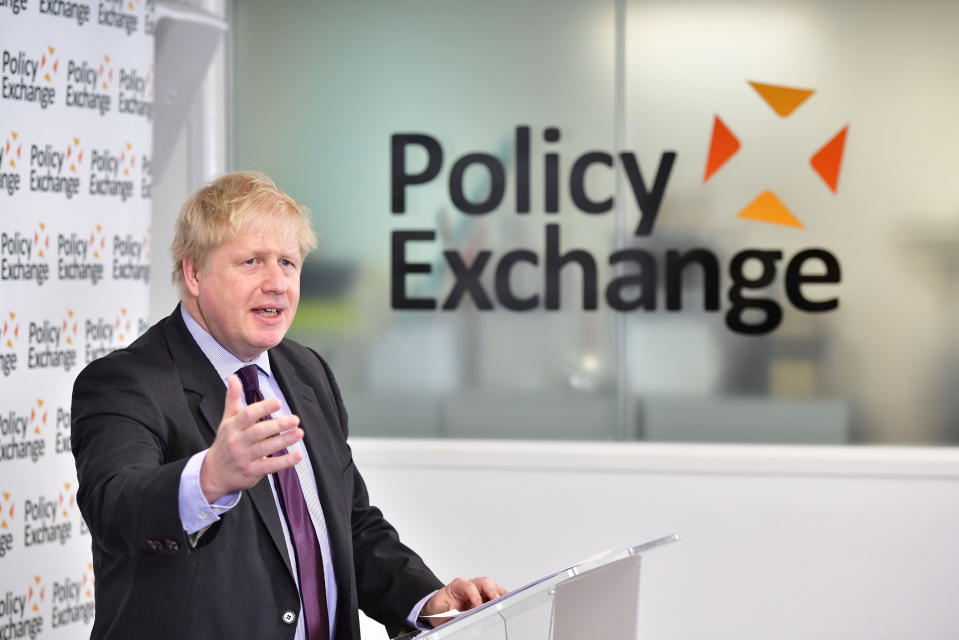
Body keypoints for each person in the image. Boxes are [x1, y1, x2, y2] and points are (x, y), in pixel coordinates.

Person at [72, 171, 505, 640]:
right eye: (252, 262)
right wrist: (209, 479)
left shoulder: (305, 371)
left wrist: (428, 602)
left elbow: (351, 524)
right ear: (194, 272)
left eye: (288, 263)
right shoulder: (126, 381)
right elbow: (113, 509)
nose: (277, 283)